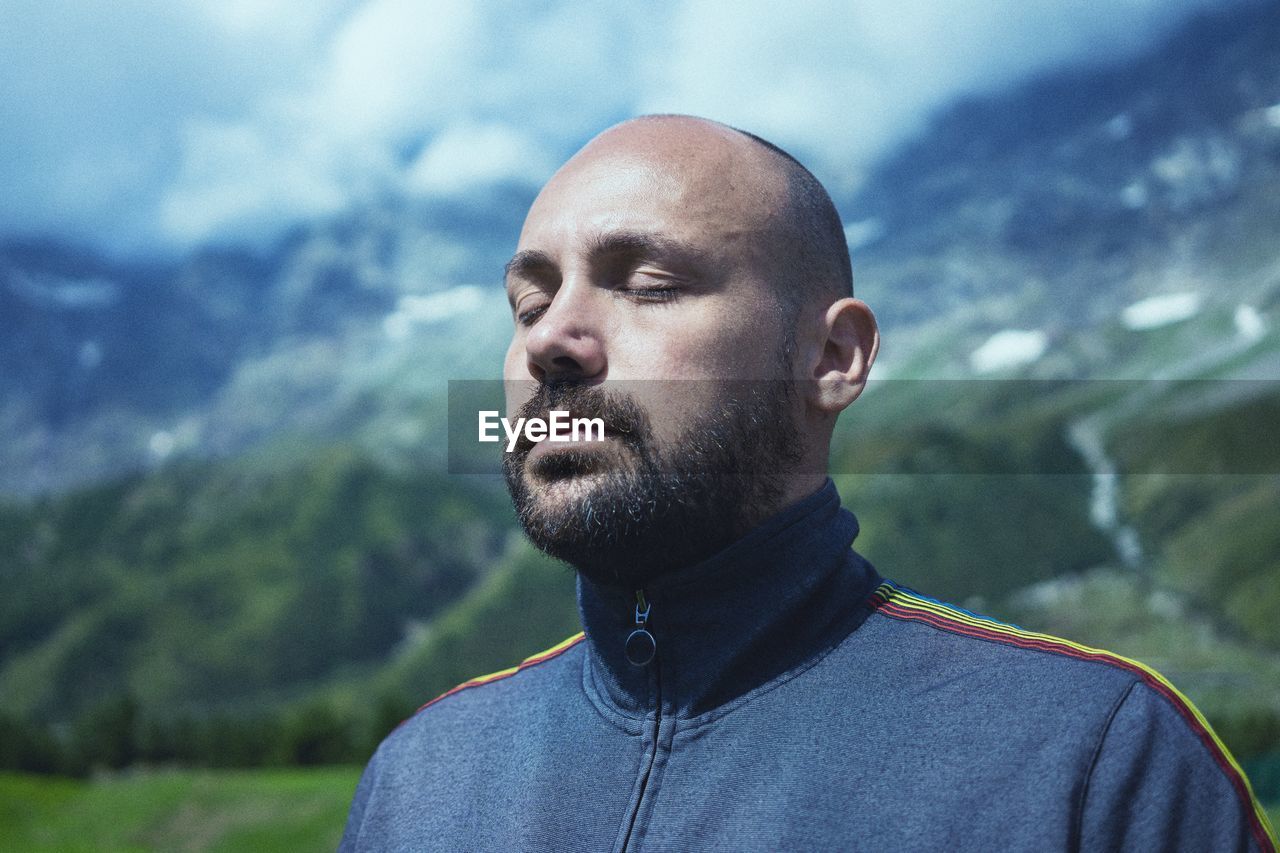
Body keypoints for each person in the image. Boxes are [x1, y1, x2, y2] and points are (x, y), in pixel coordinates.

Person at [340, 115, 1276, 851]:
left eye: (650, 283)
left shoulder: (1100, 762)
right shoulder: (420, 776)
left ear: (833, 355)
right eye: (530, 302)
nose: (550, 338)